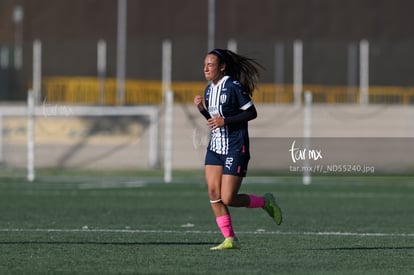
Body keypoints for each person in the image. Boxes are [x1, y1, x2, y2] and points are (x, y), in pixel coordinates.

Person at [193, 49, 282, 250]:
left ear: (222, 67)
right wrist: (202, 110)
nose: (206, 68)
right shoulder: (208, 89)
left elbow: (251, 112)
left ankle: (265, 202)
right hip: (215, 147)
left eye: (211, 64)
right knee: (213, 193)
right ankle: (230, 239)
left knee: (228, 198)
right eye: (205, 64)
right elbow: (213, 122)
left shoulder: (233, 86)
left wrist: (226, 121)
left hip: (235, 147)